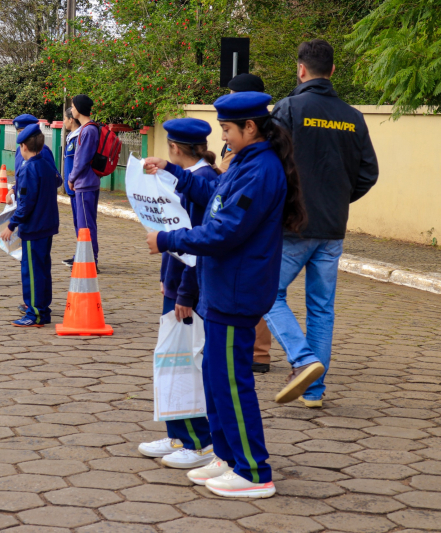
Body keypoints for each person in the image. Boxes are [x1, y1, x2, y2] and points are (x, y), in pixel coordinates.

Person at [143, 91, 307, 498]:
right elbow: (213, 199)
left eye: (229, 129)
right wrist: (174, 172)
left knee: (232, 383)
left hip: (237, 290)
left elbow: (225, 229)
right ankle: (228, 457)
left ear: (250, 127)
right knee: (216, 379)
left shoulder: (260, 169)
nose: (224, 137)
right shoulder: (246, 163)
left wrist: (167, 238)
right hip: (221, 289)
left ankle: (254, 470)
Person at [266, 39, 379, 408]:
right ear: (331, 71)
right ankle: (313, 391)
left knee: (266, 293)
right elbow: (368, 174)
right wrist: (336, 200)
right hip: (332, 228)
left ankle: (304, 361)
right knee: (321, 308)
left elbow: (270, 165)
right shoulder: (353, 116)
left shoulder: (288, 109)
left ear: (301, 70)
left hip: (293, 226)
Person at [137, 118, 218, 470]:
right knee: (170, 359)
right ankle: (178, 434)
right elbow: (173, 229)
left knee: (185, 363)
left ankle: (198, 441)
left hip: (190, 289)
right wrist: (165, 278)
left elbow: (195, 245)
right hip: (177, 283)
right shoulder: (198, 177)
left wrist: (184, 292)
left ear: (174, 148)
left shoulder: (203, 182)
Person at [218, 73, 273, 374]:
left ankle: (260, 352)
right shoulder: (248, 146)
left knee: (262, 291)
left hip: (255, 231)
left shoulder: (260, 161)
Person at [0, 124, 61, 327]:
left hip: (33, 227)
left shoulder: (28, 168)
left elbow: (26, 203)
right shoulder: (46, 163)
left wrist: (11, 224)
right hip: (47, 225)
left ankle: (34, 313)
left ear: (23, 147)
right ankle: (43, 308)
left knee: (32, 271)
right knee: (43, 269)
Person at [69, 94, 101, 271]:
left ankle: (90, 260)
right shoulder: (88, 128)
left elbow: (81, 159)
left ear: (79, 108)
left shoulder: (87, 130)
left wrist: (72, 177)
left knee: (86, 225)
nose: (72, 110)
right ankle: (88, 258)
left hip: (85, 183)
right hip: (88, 182)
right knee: (86, 223)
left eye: (73, 106)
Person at [62, 107, 81, 266]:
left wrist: (72, 179)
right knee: (77, 223)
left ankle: (83, 256)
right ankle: (79, 254)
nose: (63, 122)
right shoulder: (71, 137)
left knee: (82, 224)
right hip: (72, 188)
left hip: (77, 187)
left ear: (71, 119)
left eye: (65, 119)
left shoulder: (78, 137)